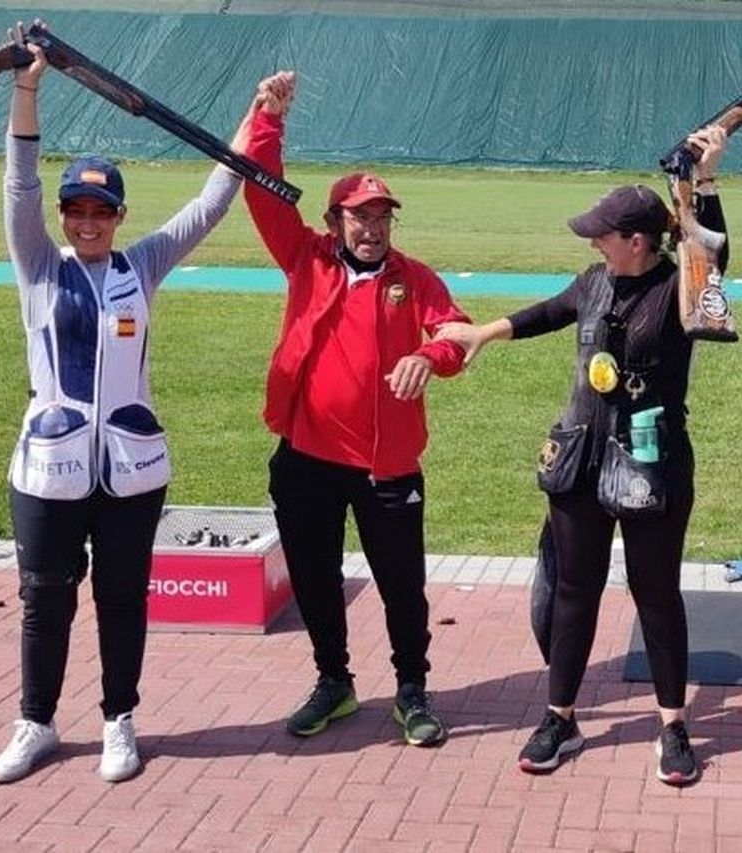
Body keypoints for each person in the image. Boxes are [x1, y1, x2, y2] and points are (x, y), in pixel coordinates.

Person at [436, 126, 731, 786]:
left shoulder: (680, 287)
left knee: (657, 596)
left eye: (603, 233)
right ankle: (561, 716)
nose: (592, 240)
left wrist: (703, 182)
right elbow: (550, 311)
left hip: (652, 468)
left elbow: (712, 256)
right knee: (574, 592)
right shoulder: (595, 279)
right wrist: (485, 331)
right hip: (580, 463)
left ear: (638, 241)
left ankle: (672, 725)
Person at [0, 20, 241, 783]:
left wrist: (258, 119)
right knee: (44, 600)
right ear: (64, 215)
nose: (87, 222)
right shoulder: (36, 261)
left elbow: (212, 199)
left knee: (123, 598)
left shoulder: (145, 263)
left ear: (119, 217)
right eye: (77, 211)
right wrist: (27, 89)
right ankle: (35, 721)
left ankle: (118, 721)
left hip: (130, 471)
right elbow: (19, 181)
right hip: (51, 469)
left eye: (101, 212)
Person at [240, 72, 469, 746]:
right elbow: (261, 189)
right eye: (359, 216)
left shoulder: (415, 278)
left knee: (404, 587)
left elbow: (454, 332)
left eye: (382, 216)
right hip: (308, 460)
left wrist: (429, 358)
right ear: (334, 221)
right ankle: (333, 680)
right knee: (314, 577)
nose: (372, 227)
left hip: (387, 468)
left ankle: (412, 689)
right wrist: (268, 121)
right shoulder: (306, 259)